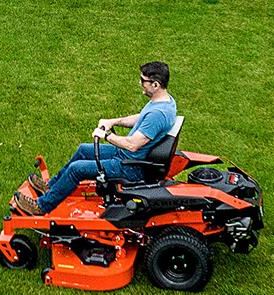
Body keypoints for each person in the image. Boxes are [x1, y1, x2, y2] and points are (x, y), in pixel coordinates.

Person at [15, 61, 177, 215]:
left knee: (76, 169)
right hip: (127, 157)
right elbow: (142, 118)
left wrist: (106, 135)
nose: (140, 83)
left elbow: (132, 145)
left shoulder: (158, 114)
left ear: (155, 85)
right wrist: (114, 121)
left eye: (143, 80)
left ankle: (42, 206)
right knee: (84, 150)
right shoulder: (165, 102)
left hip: (131, 167)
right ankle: (51, 187)